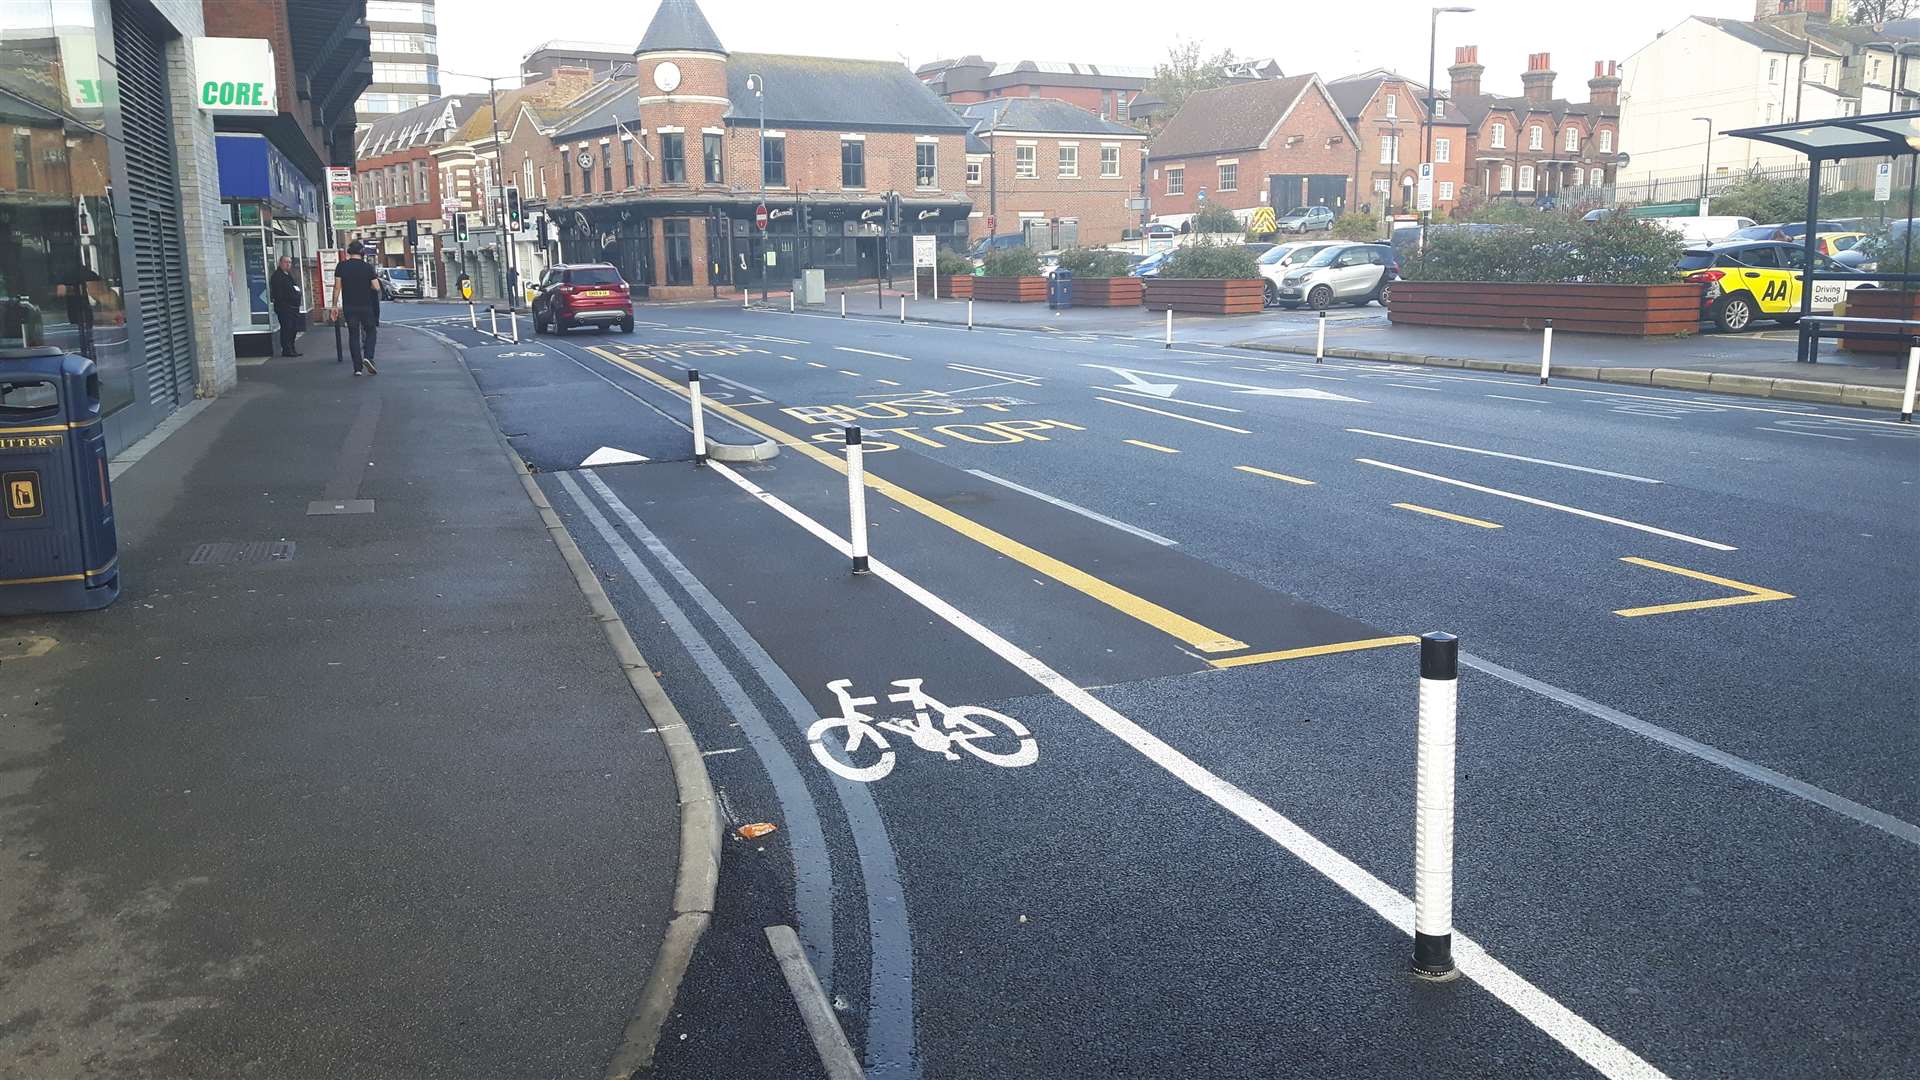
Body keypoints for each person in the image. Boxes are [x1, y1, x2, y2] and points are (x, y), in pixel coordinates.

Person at [331, 241, 379, 376]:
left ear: (349, 252)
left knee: (353, 335)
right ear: (362, 252)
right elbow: (376, 287)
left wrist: (334, 305)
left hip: (349, 307)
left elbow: (337, 287)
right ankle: (368, 357)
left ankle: (357, 368)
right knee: (371, 331)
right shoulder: (367, 267)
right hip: (365, 306)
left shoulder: (341, 266)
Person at [269, 256, 302, 357]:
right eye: (286, 262)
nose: (288, 264)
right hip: (284, 308)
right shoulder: (277, 276)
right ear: (280, 263)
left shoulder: (289, 275)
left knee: (293, 329)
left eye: (290, 262)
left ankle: (292, 348)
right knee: (287, 329)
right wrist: (292, 296)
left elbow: (294, 287)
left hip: (293, 308)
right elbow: (279, 294)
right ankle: (287, 349)